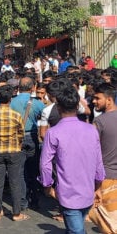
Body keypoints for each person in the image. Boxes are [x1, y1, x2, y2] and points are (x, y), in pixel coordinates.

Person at [39, 85, 105, 233]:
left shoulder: (53, 133)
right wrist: (98, 187)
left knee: (76, 230)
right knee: (76, 227)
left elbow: (45, 164)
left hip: (68, 193)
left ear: (58, 107)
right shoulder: (91, 130)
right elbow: (98, 161)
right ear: (77, 106)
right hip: (88, 189)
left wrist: (47, 185)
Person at [0, 85, 28, 221]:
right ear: (10, 99)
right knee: (15, 182)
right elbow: (21, 133)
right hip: (13, 151)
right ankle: (16, 213)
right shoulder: (16, 115)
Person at [10, 77, 44, 210]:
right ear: (33, 88)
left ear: (18, 87)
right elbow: (45, 116)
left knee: (20, 171)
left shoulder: (12, 102)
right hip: (32, 137)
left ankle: (22, 202)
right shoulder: (37, 103)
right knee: (34, 170)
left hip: (17, 138)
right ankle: (34, 198)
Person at [91, 83, 117, 232]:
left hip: (106, 179)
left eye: (97, 98)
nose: (94, 101)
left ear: (109, 100)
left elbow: (92, 151)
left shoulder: (99, 122)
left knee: (109, 224)